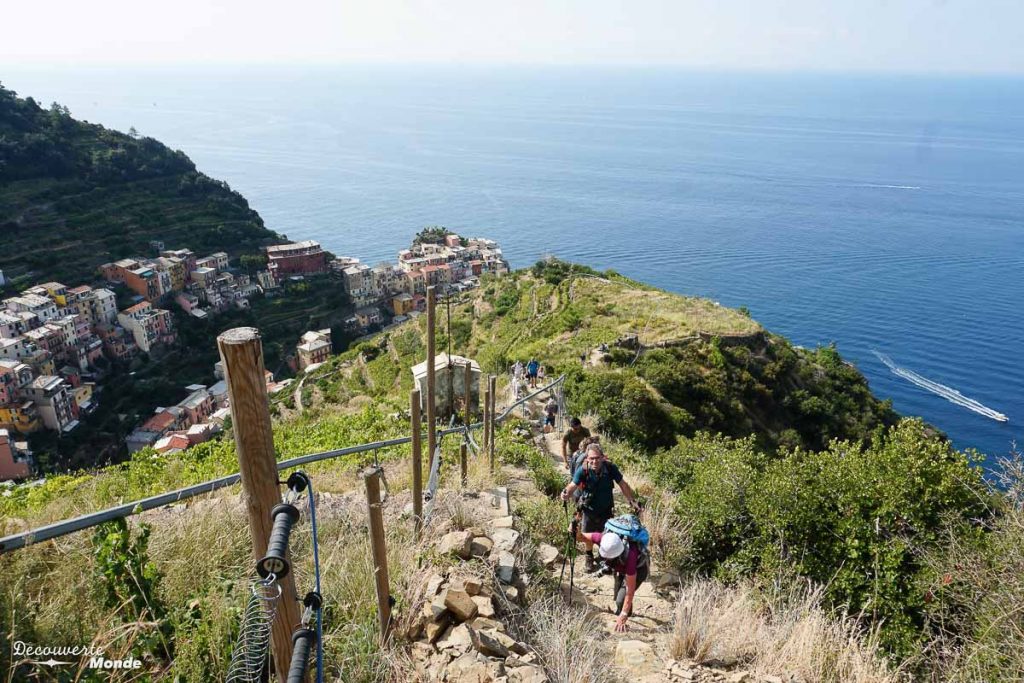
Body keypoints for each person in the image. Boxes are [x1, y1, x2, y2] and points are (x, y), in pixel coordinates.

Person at [559, 443, 639, 572]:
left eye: (597, 458)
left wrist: (631, 500)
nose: (594, 461)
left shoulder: (610, 468)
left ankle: (604, 556)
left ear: (602, 457)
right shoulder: (583, 470)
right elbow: (573, 484)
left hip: (606, 508)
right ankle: (589, 556)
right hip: (589, 508)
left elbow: (622, 484)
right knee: (588, 534)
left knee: (606, 535)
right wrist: (566, 493)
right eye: (591, 458)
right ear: (587, 459)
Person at [583, 530, 649, 632]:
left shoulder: (631, 556)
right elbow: (583, 537)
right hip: (619, 567)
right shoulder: (604, 539)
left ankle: (625, 615)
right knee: (617, 595)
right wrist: (575, 531)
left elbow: (630, 590)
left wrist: (623, 615)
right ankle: (624, 610)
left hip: (638, 570)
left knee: (620, 599)